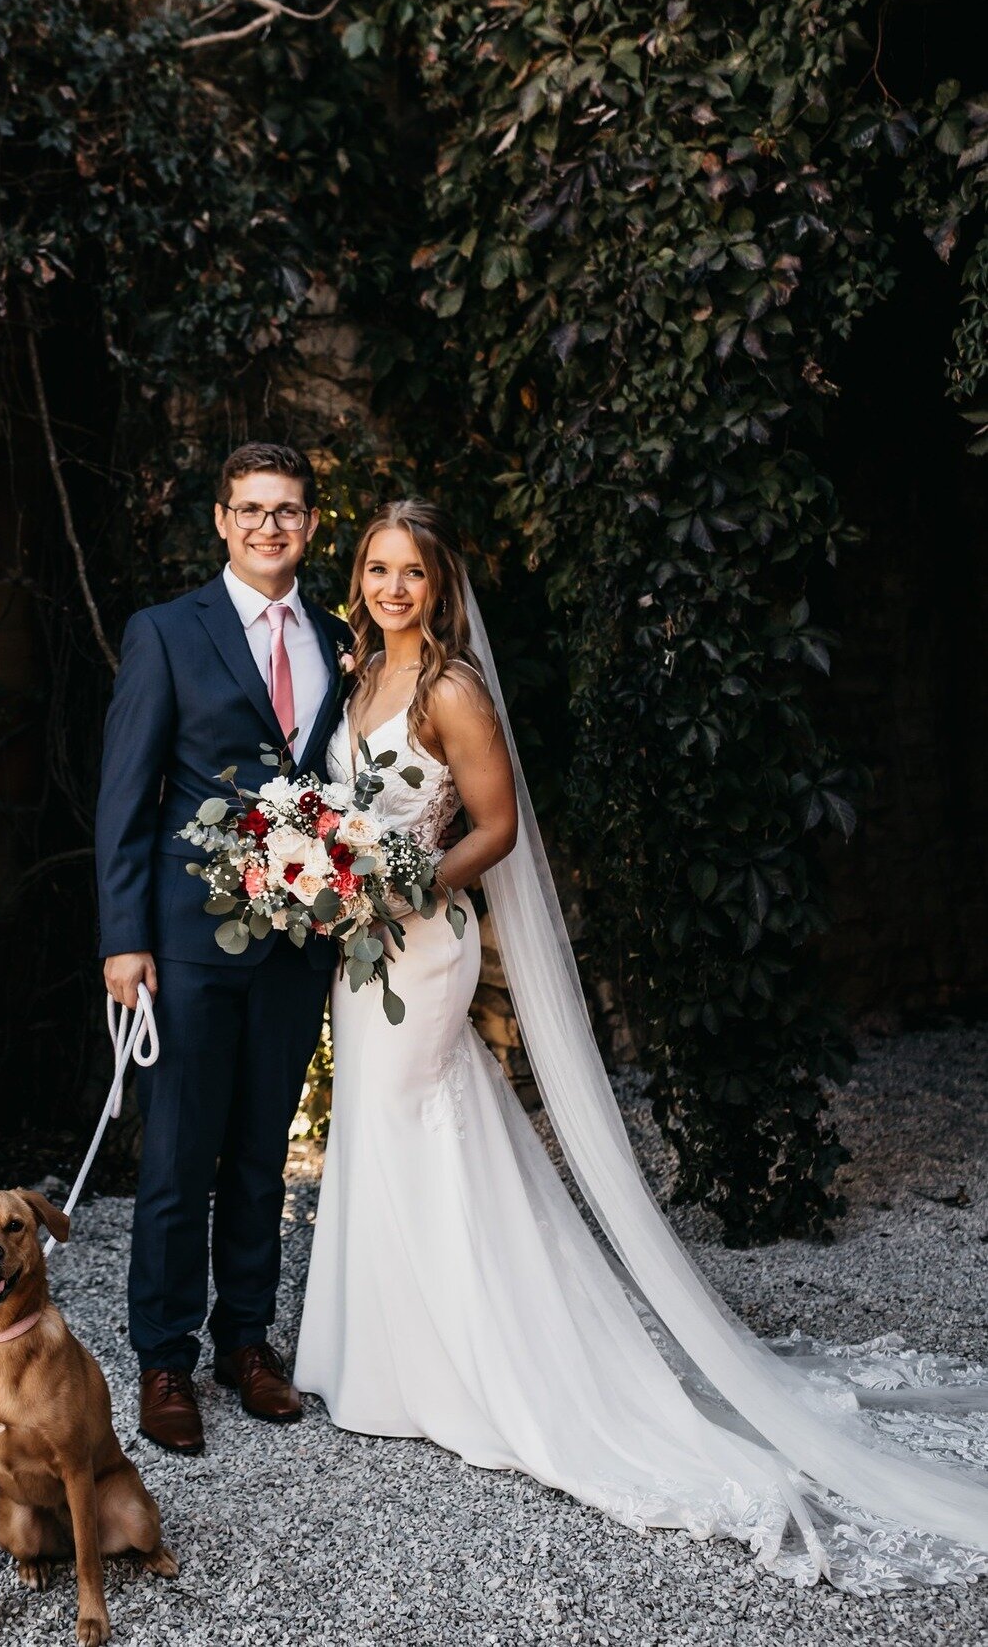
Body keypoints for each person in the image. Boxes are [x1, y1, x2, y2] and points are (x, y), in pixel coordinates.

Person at [293, 497, 988, 1591]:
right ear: (361, 579)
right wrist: (327, 874)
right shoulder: (357, 673)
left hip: (425, 945)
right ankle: (379, 1359)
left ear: (441, 585)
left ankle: (470, 1369)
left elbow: (496, 826)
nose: (392, 589)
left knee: (411, 1112)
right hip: (360, 948)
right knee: (385, 1129)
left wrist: (411, 880)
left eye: (410, 573)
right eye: (377, 569)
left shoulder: (450, 688)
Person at [95, 442, 350, 1456]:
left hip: (296, 940)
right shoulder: (165, 632)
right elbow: (128, 791)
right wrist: (124, 939)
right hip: (188, 941)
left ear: (312, 526)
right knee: (178, 1154)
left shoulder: (338, 636)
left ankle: (246, 1341)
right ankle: (165, 1357)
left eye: (287, 511)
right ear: (219, 519)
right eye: (251, 509)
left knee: (261, 1153)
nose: (268, 526)